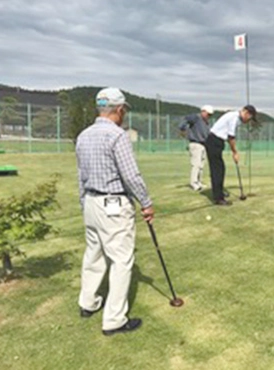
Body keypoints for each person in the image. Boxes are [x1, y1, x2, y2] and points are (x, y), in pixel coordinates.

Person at [76, 87, 155, 336]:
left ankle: (87, 303)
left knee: (94, 254)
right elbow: (130, 174)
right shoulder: (117, 135)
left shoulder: (84, 135)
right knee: (121, 260)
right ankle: (114, 320)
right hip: (113, 204)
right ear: (119, 110)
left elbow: (81, 176)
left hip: (90, 201)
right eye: (124, 111)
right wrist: (146, 202)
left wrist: (84, 202)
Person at [205, 105, 256, 205]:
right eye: (249, 118)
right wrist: (235, 152)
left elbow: (229, 138)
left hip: (216, 142)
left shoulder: (235, 118)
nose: (248, 121)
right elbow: (231, 137)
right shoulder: (234, 117)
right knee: (217, 170)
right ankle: (218, 198)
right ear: (245, 112)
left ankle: (219, 192)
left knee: (220, 169)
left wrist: (234, 151)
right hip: (214, 141)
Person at [179, 105, 214, 191]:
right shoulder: (196, 117)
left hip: (203, 144)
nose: (209, 116)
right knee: (196, 164)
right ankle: (193, 182)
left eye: (210, 115)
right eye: (208, 114)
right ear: (203, 111)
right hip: (195, 143)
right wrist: (182, 129)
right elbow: (185, 120)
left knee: (201, 165)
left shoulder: (206, 122)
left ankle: (199, 182)